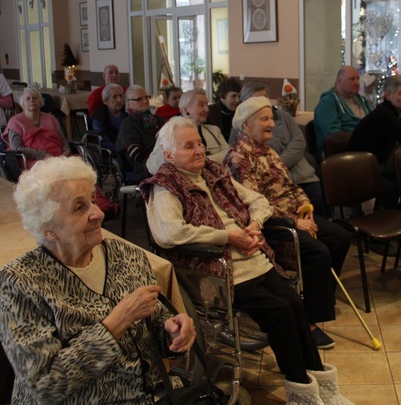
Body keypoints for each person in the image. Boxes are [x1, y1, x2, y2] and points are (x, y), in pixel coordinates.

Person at [141, 117, 352, 404]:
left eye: (200, 143)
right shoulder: (164, 185)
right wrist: (227, 236)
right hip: (218, 271)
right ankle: (302, 392)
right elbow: (169, 234)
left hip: (253, 258)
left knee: (294, 304)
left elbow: (259, 200)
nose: (199, 150)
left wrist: (254, 224)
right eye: (188, 146)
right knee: (279, 311)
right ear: (168, 155)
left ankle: (323, 388)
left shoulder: (212, 172)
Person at [0, 156, 195, 403]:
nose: (98, 213)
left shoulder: (127, 256)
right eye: (80, 207)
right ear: (49, 229)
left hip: (152, 393)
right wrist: (117, 321)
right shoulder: (20, 282)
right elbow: (44, 384)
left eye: (92, 200)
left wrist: (172, 332)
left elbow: (155, 324)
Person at [225, 96, 352, 349]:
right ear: (246, 125)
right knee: (318, 252)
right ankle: (308, 321)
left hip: (295, 217)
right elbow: (254, 204)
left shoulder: (269, 151)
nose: (272, 123)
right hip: (274, 226)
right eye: (264, 119)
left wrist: (307, 211)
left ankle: (318, 295)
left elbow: (292, 187)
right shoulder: (239, 158)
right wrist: (296, 223)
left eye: (271, 118)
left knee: (341, 237)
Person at [229, 81, 324, 213]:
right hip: (275, 186)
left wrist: (277, 163)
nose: (271, 124)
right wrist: (274, 166)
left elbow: (299, 141)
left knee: (318, 201)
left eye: (265, 97)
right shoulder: (241, 132)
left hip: (300, 174)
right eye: (257, 99)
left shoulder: (284, 116)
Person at [348, 74, 401, 206]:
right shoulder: (384, 113)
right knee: (396, 182)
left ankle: (395, 212)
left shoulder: (399, 112)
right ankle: (385, 216)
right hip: (358, 166)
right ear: (388, 95)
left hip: (375, 162)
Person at [146, 88, 228, 174]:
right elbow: (152, 166)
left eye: (206, 104)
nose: (207, 109)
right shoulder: (171, 131)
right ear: (186, 109)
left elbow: (229, 154)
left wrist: (205, 160)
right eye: (201, 105)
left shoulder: (214, 130)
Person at [313, 65, 373, 158]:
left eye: (357, 79)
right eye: (352, 79)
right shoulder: (328, 102)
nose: (357, 83)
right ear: (339, 81)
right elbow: (334, 138)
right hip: (339, 155)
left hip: (365, 149)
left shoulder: (362, 100)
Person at [4, 87, 71, 164]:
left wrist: (66, 151)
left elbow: (63, 140)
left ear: (40, 102)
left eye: (35, 98)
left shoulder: (51, 118)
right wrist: (42, 154)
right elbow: (16, 148)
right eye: (28, 99)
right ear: (23, 104)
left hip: (57, 157)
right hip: (33, 160)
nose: (31, 100)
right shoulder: (15, 122)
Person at [115, 85, 165, 182]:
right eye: (139, 99)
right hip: (143, 166)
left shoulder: (158, 119)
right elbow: (135, 153)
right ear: (129, 104)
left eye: (146, 97)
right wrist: (156, 159)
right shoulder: (128, 123)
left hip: (165, 159)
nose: (145, 101)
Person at [91, 83, 128, 152]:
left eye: (121, 96)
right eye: (114, 97)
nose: (119, 100)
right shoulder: (99, 117)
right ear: (105, 101)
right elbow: (103, 141)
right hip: (112, 151)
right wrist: (120, 149)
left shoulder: (127, 111)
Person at [207, 77, 241, 141]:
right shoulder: (209, 112)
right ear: (222, 97)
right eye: (233, 96)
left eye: (239, 96)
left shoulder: (239, 112)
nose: (237, 100)